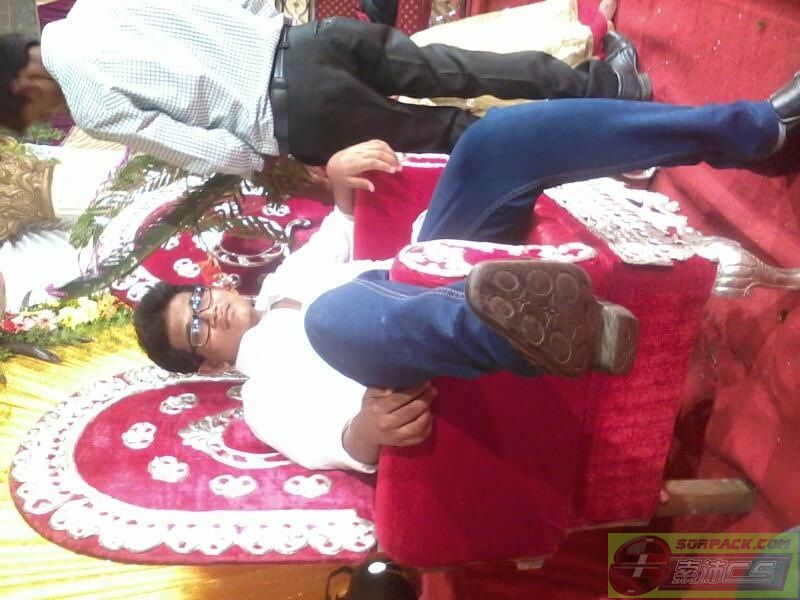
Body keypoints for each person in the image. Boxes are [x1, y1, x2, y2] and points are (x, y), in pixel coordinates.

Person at [133, 70, 799, 472]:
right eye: (196, 329)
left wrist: (336, 178)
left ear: (213, 285)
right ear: (210, 364)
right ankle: (541, 328)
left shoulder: (284, 280)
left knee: (491, 143)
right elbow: (339, 443)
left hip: (433, 264)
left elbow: (342, 224)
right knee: (335, 317)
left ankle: (758, 132)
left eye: (197, 300)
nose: (208, 313)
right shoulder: (262, 399)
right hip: (412, 361)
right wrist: (367, 431)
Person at [0, 0, 651, 180]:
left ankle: (611, 147)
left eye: (34, 113)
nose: (52, 118)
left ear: (24, 82)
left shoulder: (91, 103)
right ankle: (608, 85)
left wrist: (275, 164)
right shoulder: (98, 6)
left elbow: (212, 153)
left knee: (459, 133)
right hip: (309, 43)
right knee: (454, 67)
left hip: (300, 116)